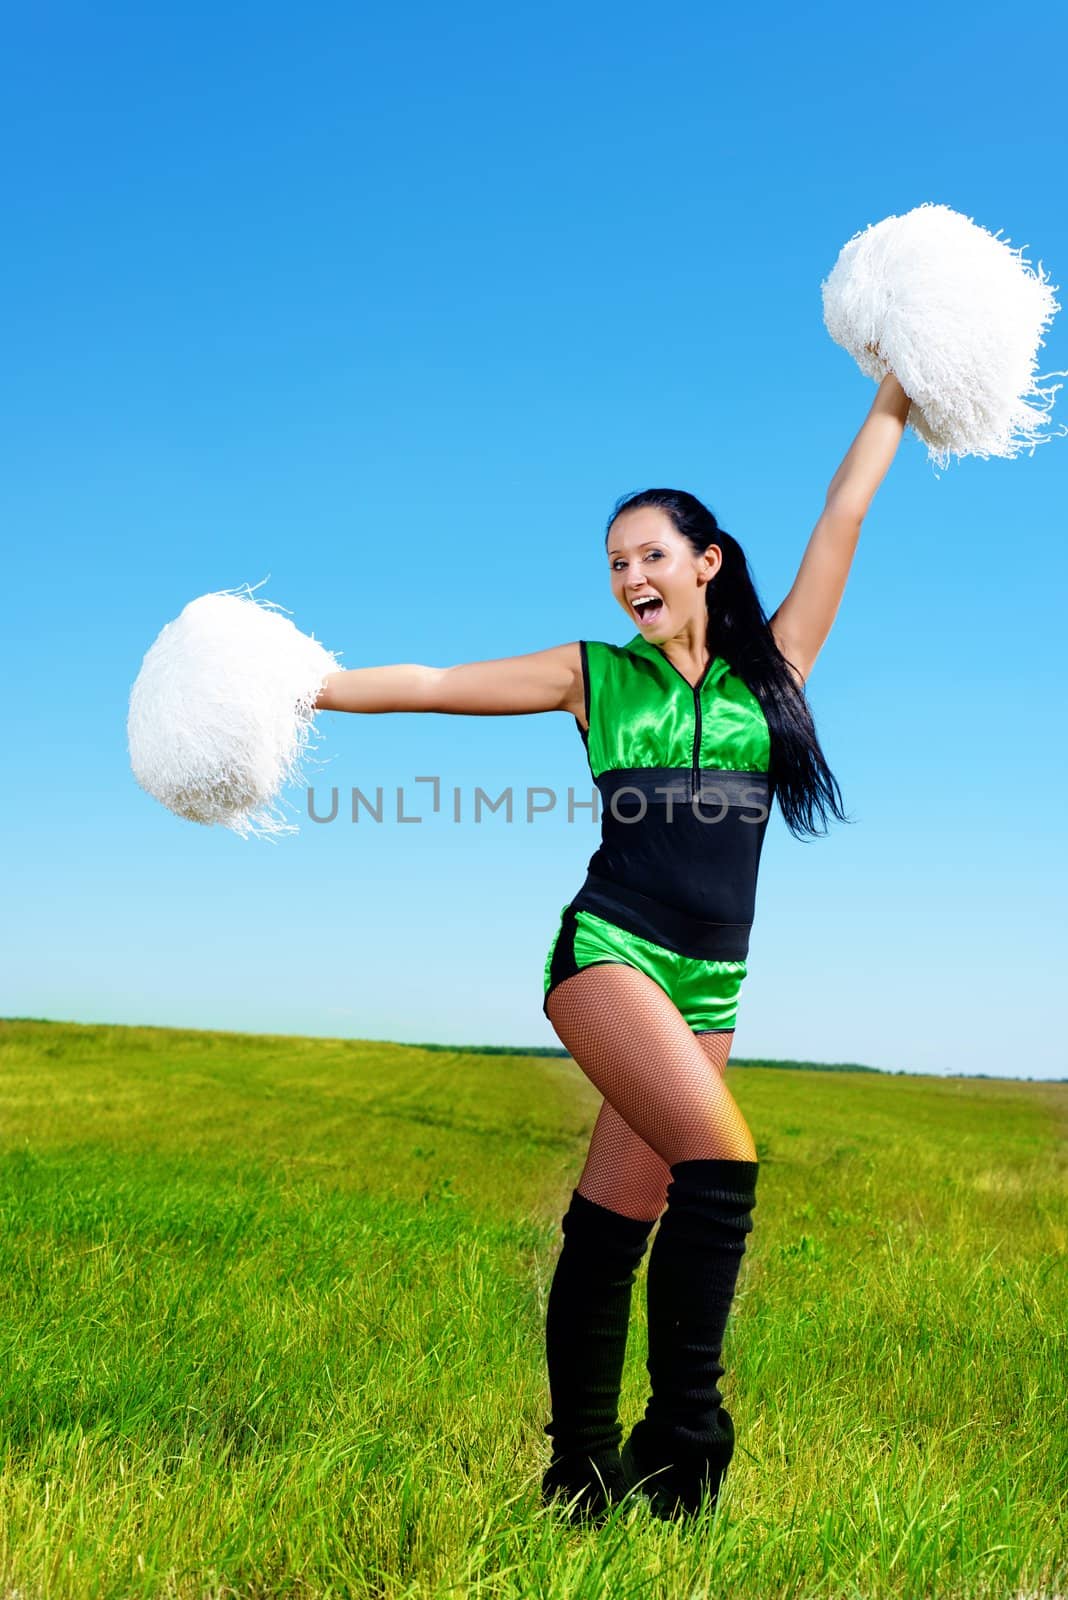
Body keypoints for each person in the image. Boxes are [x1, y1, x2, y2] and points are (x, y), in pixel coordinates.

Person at [314, 373, 912, 1525]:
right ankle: (685, 1439)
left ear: (708, 561)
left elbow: (843, 516)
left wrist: (897, 387)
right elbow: (437, 685)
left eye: (649, 555)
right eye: (613, 564)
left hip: (713, 984)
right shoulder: (595, 675)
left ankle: (577, 1476)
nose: (630, 577)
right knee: (724, 1166)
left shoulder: (773, 673)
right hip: (610, 954)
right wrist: (306, 689)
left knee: (612, 1226)